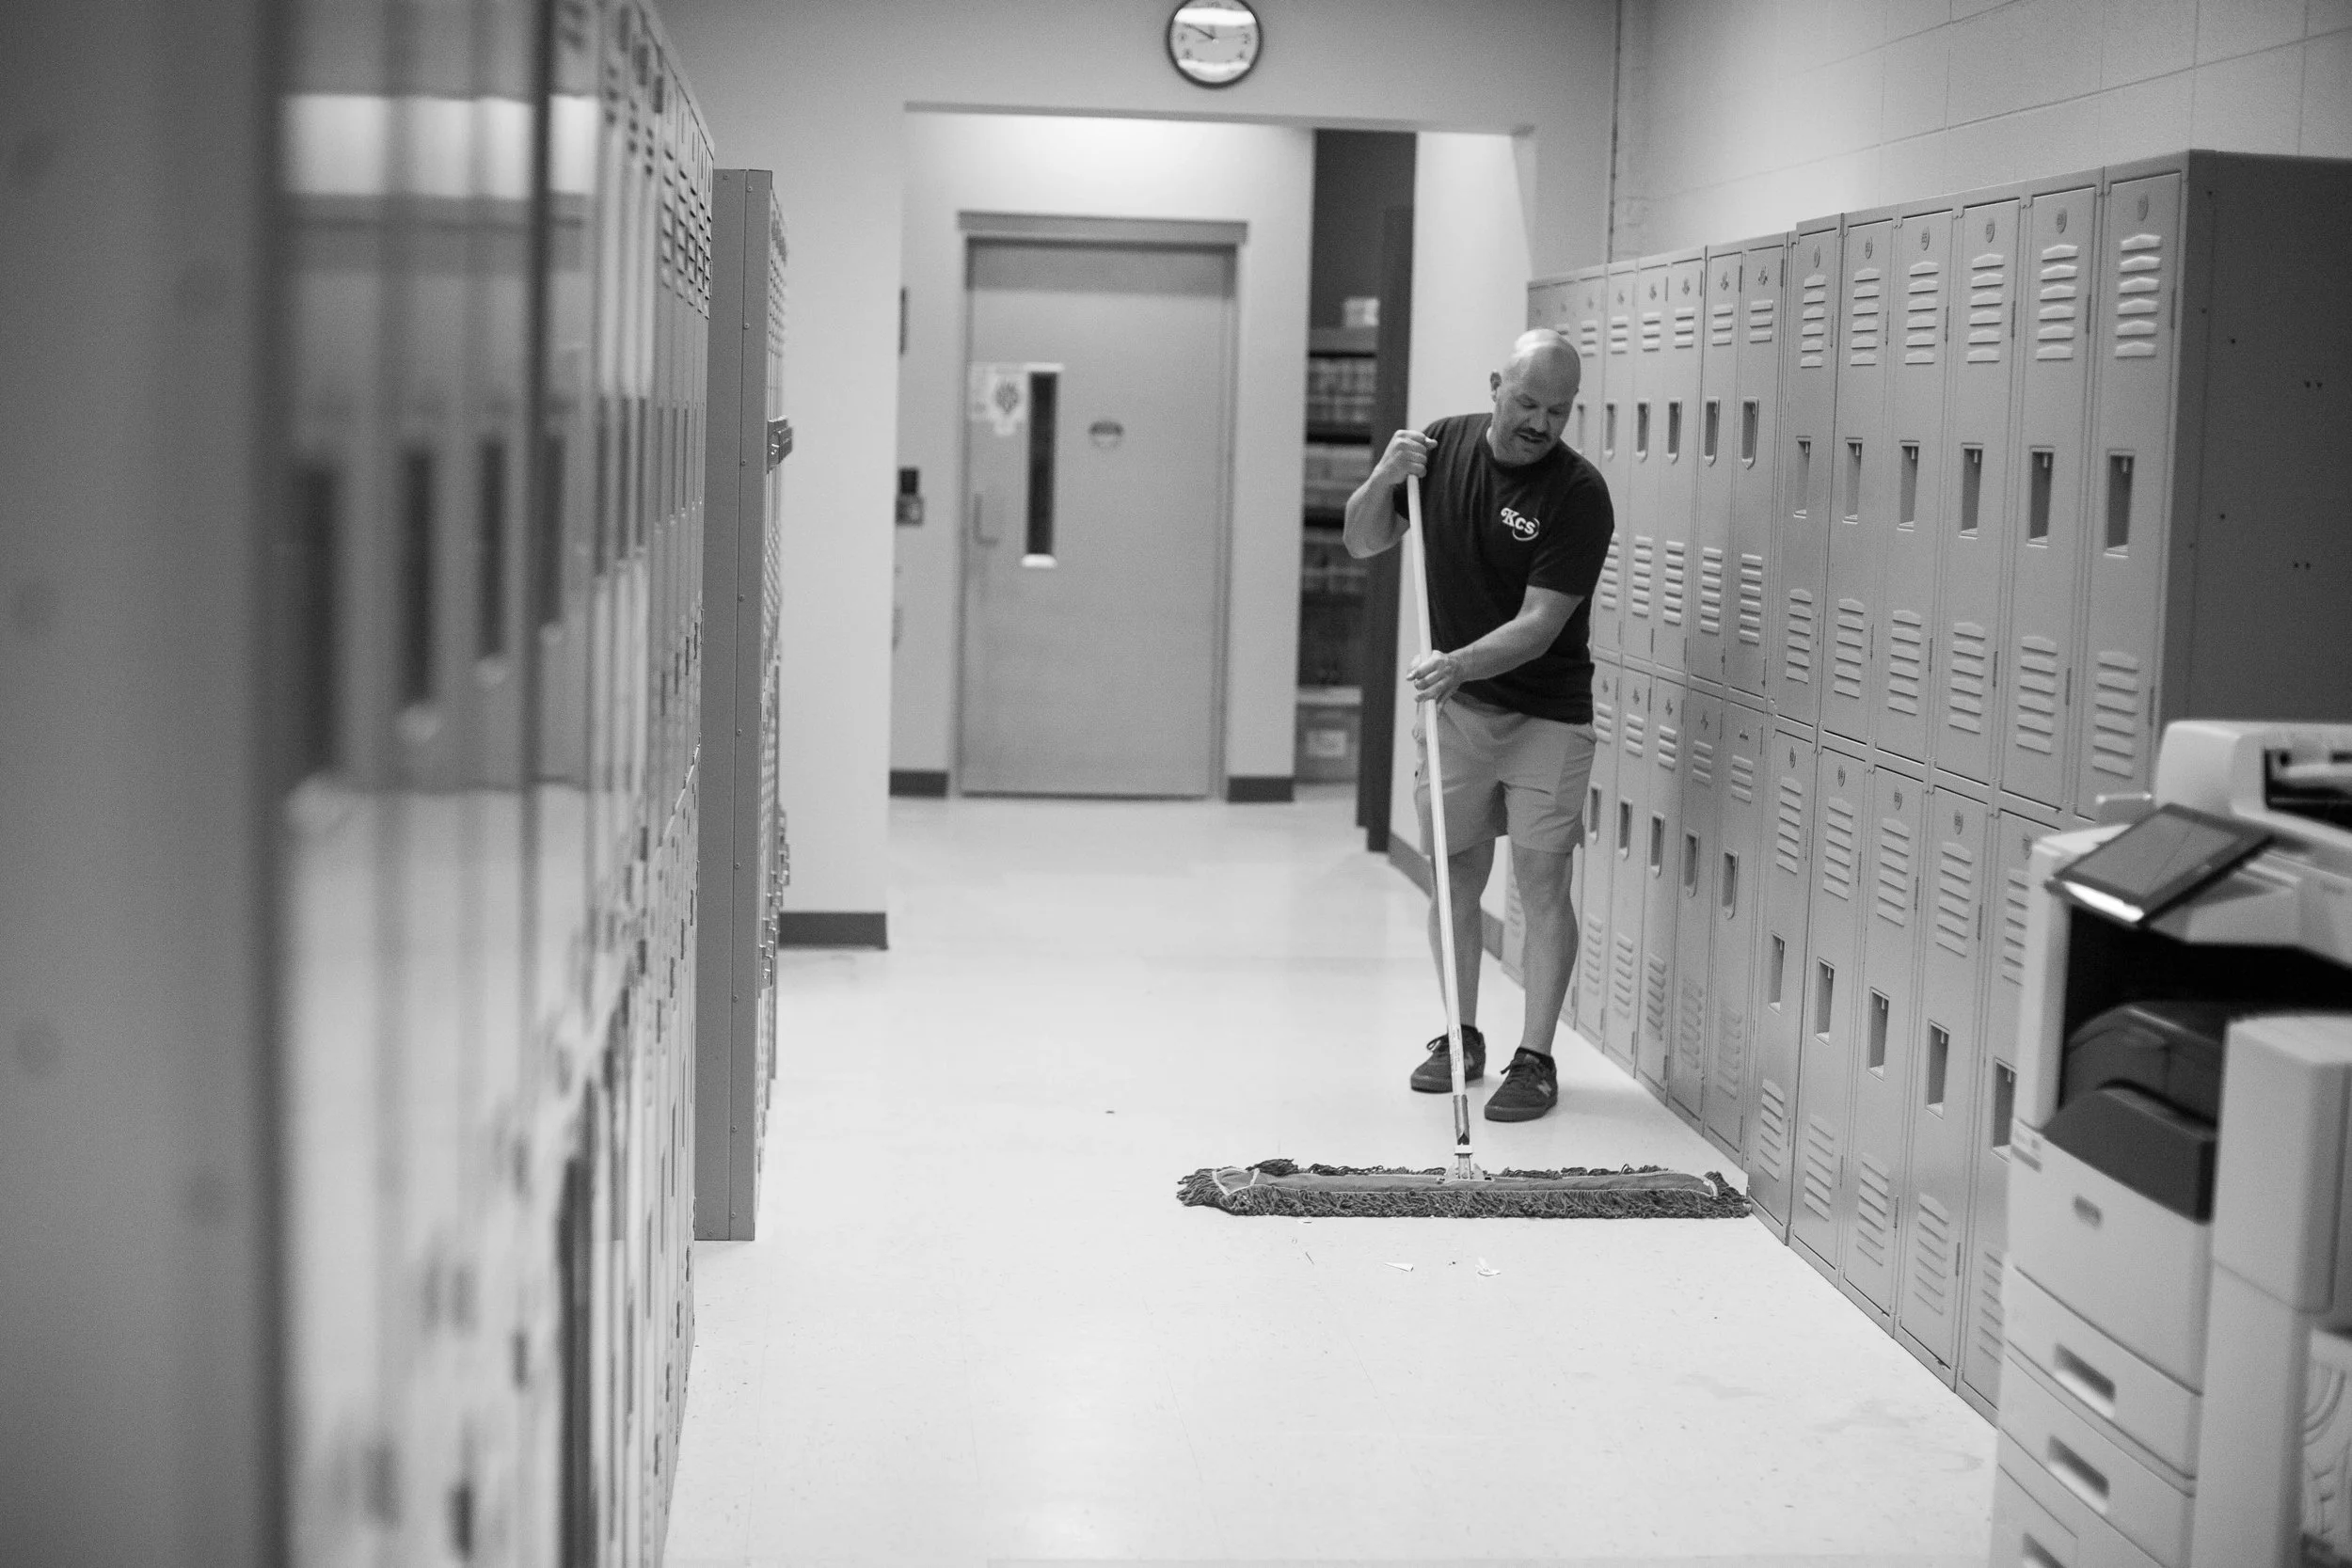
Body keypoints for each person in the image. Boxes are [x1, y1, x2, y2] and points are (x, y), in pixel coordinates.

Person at [1341, 329, 1613, 1121]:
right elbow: (1363, 539)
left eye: (1557, 410)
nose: (1540, 422)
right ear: (1497, 385)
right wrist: (1385, 476)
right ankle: (1459, 1036)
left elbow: (1539, 625)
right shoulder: (1437, 448)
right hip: (1458, 712)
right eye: (1527, 402)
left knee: (1540, 880)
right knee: (1456, 874)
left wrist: (1457, 662)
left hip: (1545, 713)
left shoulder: (1578, 494)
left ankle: (1535, 1058)